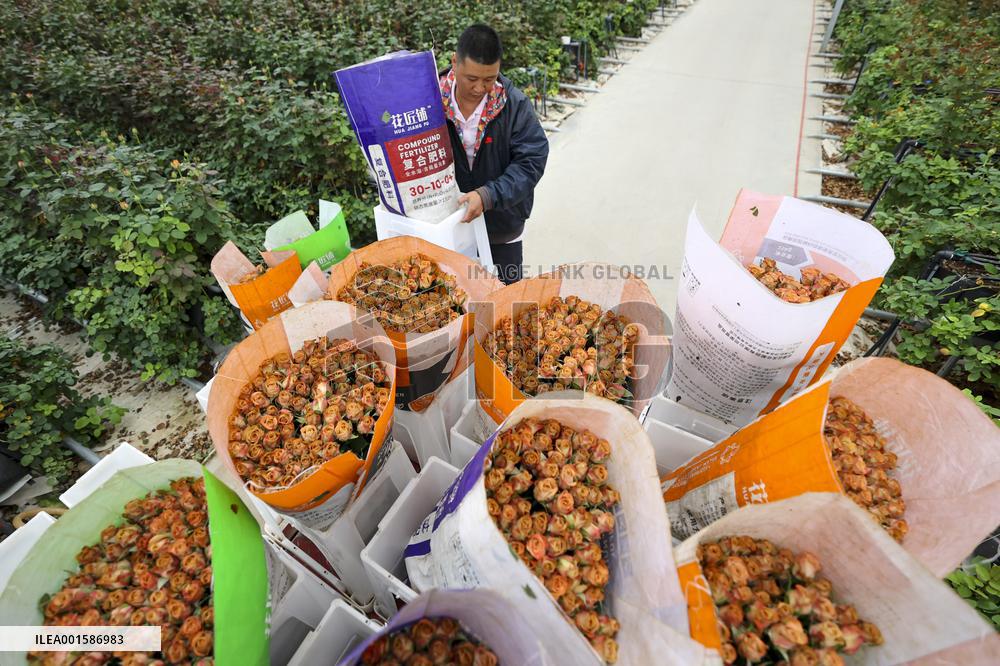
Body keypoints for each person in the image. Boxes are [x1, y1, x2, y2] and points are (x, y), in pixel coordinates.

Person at [440, 24, 549, 285]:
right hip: (448, 228)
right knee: (457, 302)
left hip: (501, 227)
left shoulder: (514, 105)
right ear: (455, 62)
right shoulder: (430, 102)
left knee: (507, 300)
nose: (480, 88)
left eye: (489, 80)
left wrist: (488, 195)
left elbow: (531, 161)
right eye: (472, 79)